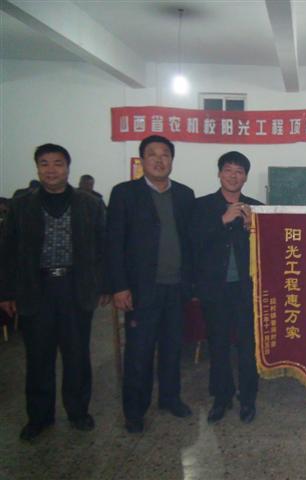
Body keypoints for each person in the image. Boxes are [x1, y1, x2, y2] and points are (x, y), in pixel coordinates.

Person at [0, 143, 108, 441]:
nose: (51, 169)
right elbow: (8, 251)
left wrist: (103, 285)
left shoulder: (89, 203)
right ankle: (39, 417)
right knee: (38, 357)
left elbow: (102, 247)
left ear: (67, 168)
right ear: (37, 168)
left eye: (58, 163)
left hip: (75, 287)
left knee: (77, 355)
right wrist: (6, 292)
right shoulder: (21, 205)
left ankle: (78, 412)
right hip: (36, 288)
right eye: (44, 163)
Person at [107, 135, 195, 433]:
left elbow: (190, 241)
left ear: (172, 160)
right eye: (152, 154)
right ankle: (134, 411)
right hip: (142, 290)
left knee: (172, 348)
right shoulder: (124, 193)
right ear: (142, 160)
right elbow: (114, 243)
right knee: (139, 353)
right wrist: (119, 286)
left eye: (165, 154)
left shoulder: (184, 194)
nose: (159, 160)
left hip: (176, 287)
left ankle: (170, 398)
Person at [191, 151, 263, 424]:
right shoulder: (201, 206)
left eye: (239, 171)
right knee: (218, 346)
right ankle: (221, 398)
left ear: (245, 177)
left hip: (246, 290)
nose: (233, 176)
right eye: (228, 170)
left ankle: (248, 399)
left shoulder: (256, 208)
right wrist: (222, 220)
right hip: (214, 289)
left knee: (248, 347)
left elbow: (269, 249)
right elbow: (193, 241)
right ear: (220, 174)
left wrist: (252, 228)